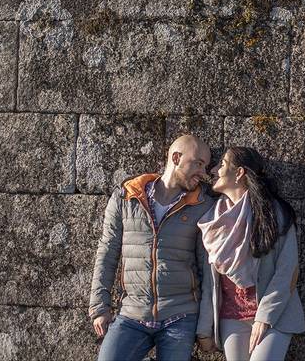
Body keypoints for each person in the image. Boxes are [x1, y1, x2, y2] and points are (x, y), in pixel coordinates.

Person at [88, 134, 216, 361]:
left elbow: (209, 269)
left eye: (206, 166)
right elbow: (107, 252)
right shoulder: (126, 197)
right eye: (198, 163)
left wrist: (205, 327)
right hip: (132, 314)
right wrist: (100, 307)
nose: (203, 173)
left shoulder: (202, 205)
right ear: (176, 158)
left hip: (181, 315)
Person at [196, 146, 305, 360]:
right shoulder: (212, 221)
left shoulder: (274, 214)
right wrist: (204, 328)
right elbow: (209, 282)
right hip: (232, 317)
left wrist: (263, 318)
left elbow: (287, 271)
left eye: (222, 164)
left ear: (239, 173)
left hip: (274, 315)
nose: (214, 170)